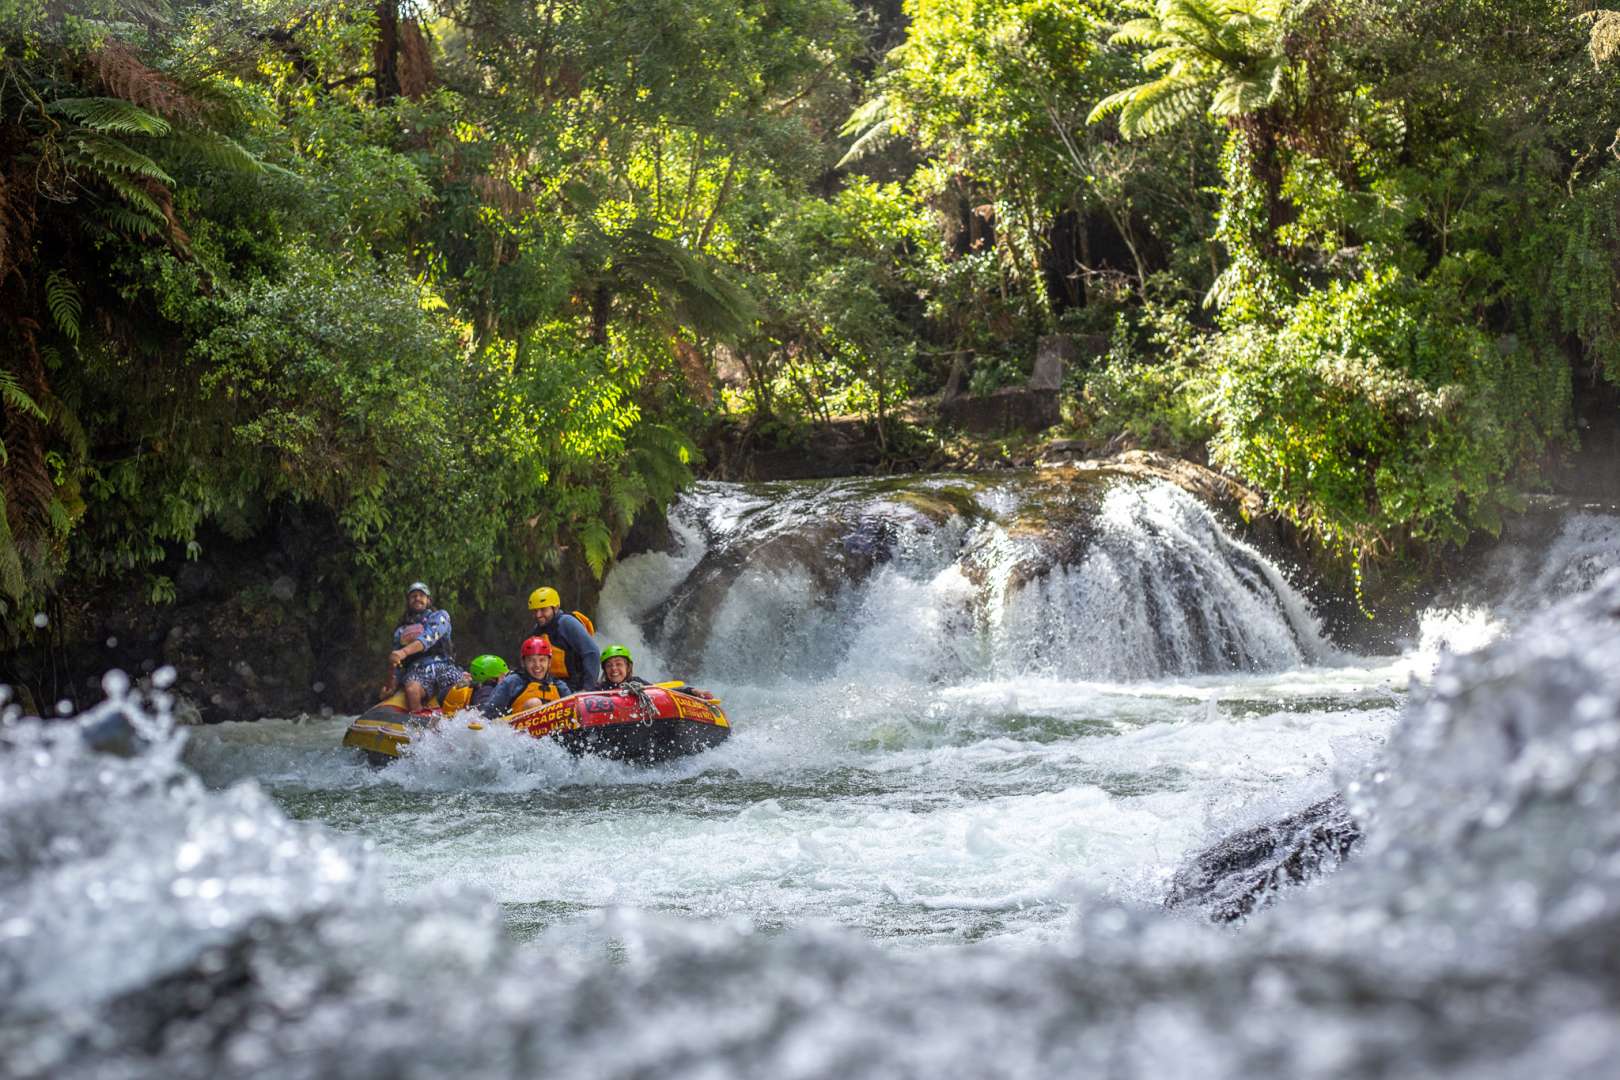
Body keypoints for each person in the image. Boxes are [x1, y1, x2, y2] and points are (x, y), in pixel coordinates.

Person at [382, 582, 466, 711]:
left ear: (428, 600)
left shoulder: (440, 616)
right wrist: (391, 686)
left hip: (444, 665)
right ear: (408, 602)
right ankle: (418, 722)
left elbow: (429, 637)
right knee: (411, 690)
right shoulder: (401, 631)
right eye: (413, 596)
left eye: (421, 595)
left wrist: (404, 652)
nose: (417, 598)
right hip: (417, 670)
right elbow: (398, 665)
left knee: (462, 686)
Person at [526, 586, 601, 692]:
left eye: (543, 610)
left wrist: (588, 688)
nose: (538, 615)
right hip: (553, 686)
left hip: (576, 686)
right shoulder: (537, 630)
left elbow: (591, 653)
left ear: (555, 608)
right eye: (535, 611)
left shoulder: (567, 623)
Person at [486, 636, 572, 716]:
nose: (537, 665)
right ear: (523, 663)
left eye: (542, 660)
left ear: (549, 663)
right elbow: (489, 712)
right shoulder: (512, 682)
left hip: (554, 729)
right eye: (531, 660)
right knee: (534, 703)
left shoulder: (559, 686)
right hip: (517, 729)